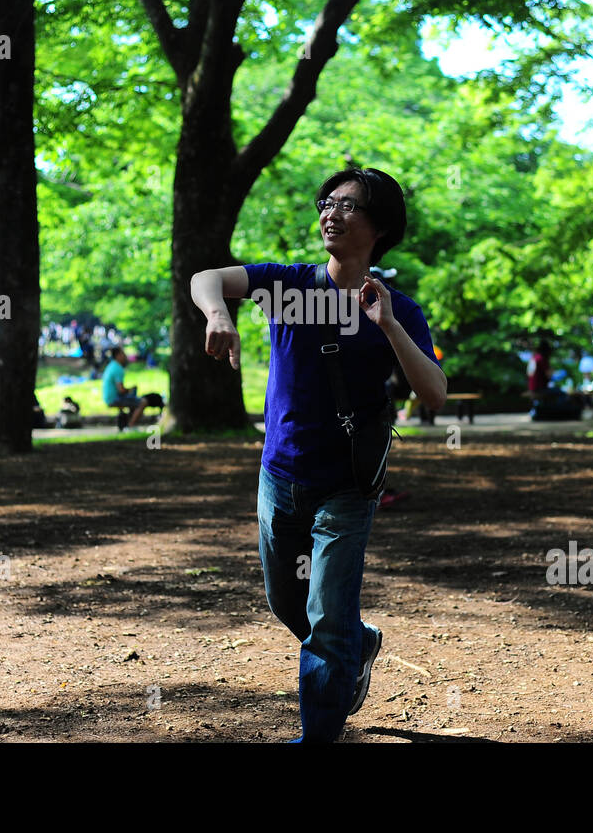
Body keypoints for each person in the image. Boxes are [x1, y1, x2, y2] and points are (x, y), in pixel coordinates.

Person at [190, 167, 445, 743]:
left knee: (327, 620)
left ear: (379, 228)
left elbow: (434, 392)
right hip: (280, 475)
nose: (331, 213)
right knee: (288, 601)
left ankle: (320, 736)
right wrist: (219, 315)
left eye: (349, 206)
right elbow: (206, 278)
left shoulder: (398, 307)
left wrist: (388, 327)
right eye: (327, 202)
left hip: (349, 485)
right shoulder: (287, 285)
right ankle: (361, 640)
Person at [101, 346, 148, 428]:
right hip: (114, 398)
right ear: (118, 355)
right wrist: (130, 389)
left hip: (108, 397)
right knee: (143, 402)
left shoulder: (111, 365)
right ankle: (130, 426)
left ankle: (127, 424)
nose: (125, 356)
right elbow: (121, 390)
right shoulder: (117, 368)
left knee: (133, 399)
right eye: (123, 353)